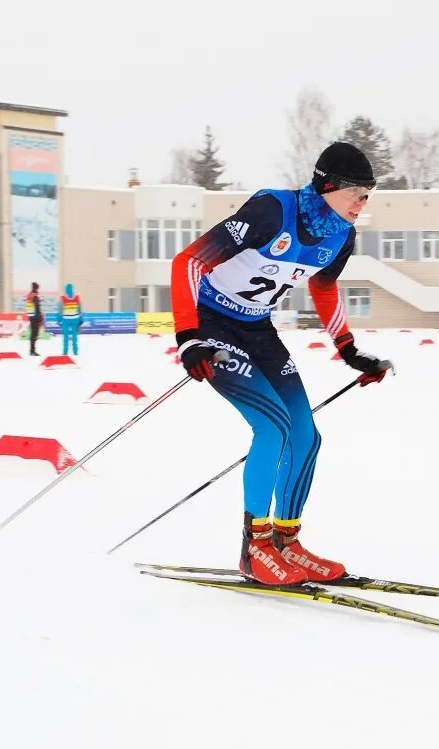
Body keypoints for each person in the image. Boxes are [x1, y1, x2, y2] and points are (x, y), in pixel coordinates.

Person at [170, 141, 390, 586]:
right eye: (357, 194)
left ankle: (287, 543)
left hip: (258, 329)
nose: (362, 204)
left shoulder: (340, 235)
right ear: (328, 186)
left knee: (306, 435)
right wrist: (188, 339)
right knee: (273, 427)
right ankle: (255, 549)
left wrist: (348, 349)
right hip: (213, 324)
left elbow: (323, 288)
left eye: (368, 195)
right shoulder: (273, 210)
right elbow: (188, 261)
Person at [57, 282, 83, 356]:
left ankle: (65, 352)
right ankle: (75, 352)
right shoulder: (77, 298)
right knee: (75, 337)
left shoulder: (62, 299)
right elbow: (80, 310)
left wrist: (58, 320)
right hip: (75, 320)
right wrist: (81, 320)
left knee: (66, 337)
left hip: (65, 320)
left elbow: (60, 311)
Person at [25, 282, 43, 356]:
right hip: (35, 318)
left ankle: (31, 350)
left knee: (33, 334)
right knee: (34, 335)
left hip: (31, 317)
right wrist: (40, 318)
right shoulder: (35, 296)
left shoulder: (29, 295)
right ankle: (32, 351)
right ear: (37, 288)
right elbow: (37, 308)